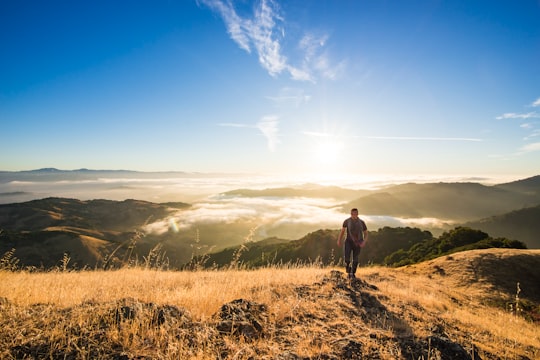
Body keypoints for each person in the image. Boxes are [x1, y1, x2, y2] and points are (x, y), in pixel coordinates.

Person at [337, 208, 368, 280]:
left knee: (355, 259)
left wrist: (364, 241)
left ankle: (352, 274)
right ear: (351, 214)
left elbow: (366, 233)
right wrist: (339, 240)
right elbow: (342, 231)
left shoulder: (362, 222)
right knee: (347, 258)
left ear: (357, 214)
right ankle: (348, 271)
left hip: (358, 242)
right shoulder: (346, 221)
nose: (354, 215)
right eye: (352, 214)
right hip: (348, 242)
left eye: (355, 214)